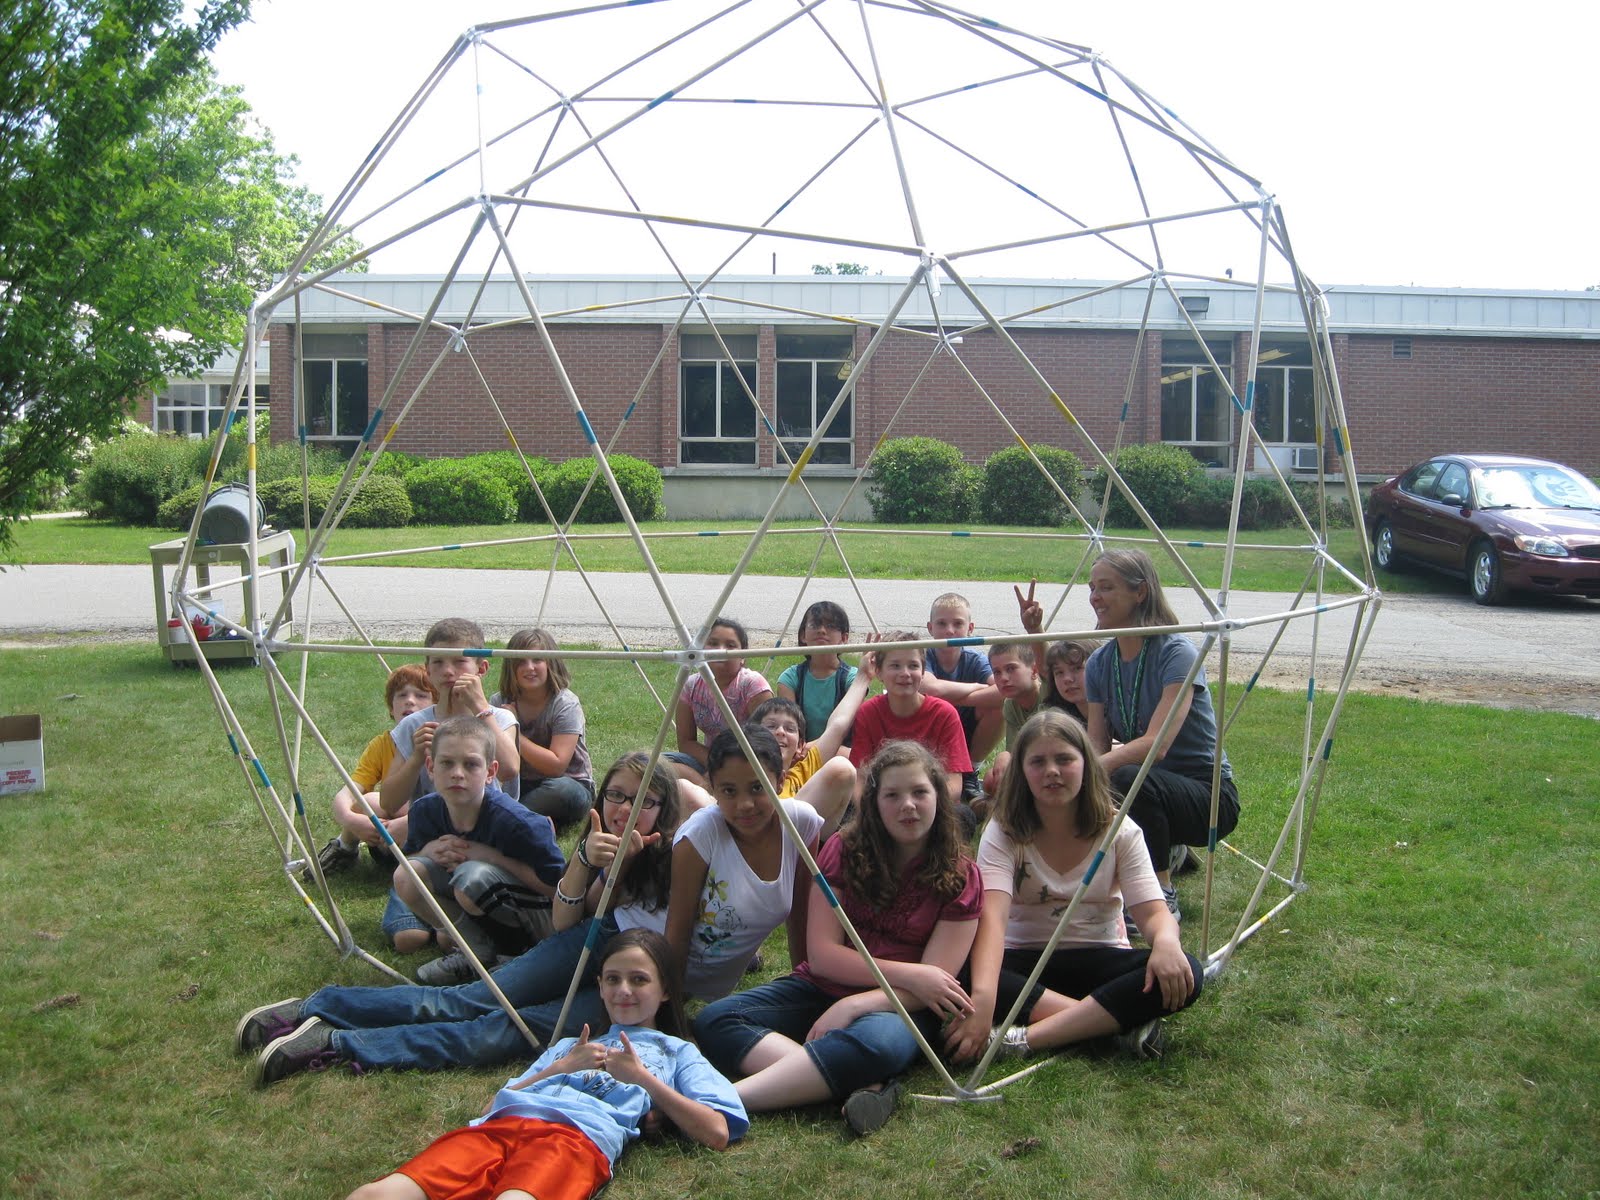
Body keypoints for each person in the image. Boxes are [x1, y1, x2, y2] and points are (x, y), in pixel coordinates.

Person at [236, 755, 741, 1080]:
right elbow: (568, 923)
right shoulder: (598, 841)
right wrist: (590, 861)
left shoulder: (683, 850)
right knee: (468, 999)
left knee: (499, 1032)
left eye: (643, 801)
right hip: (598, 939)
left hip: (641, 977)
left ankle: (337, 1040)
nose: (624, 807)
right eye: (615, 794)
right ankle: (316, 1005)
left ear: (664, 808)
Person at [694, 741, 982, 1136]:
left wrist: (855, 1006)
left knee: (877, 1043)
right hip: (823, 986)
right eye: (893, 795)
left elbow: (935, 986)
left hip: (898, 1008)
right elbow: (825, 956)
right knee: (715, 1019)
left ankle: (723, 1101)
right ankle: (862, 1084)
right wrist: (912, 975)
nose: (908, 805)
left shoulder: (962, 874)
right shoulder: (843, 850)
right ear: (875, 802)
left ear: (939, 797)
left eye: (920, 792)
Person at [337, 929, 746, 1200]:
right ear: (600, 987)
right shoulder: (571, 1045)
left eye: (639, 980)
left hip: (574, 1141)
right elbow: (489, 1108)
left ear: (664, 992)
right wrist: (562, 1066)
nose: (623, 990)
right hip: (498, 1129)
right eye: (612, 979)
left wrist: (642, 1079)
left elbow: (717, 1131)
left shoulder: (678, 1052)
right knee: (374, 1195)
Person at [945, 710, 1203, 1064]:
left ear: (1086, 764)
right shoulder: (1003, 831)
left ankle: (1024, 1038)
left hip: (1099, 957)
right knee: (962, 971)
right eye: (1038, 761)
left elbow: (1153, 912)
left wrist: (1167, 944)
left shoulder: (1120, 830)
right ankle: (1106, 1022)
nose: (1052, 770)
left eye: (1065, 759)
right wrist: (985, 1000)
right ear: (1022, 772)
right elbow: (992, 919)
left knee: (1186, 970)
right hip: (1023, 963)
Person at [1082, 549, 1241, 919]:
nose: (1095, 597)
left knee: (1124, 774)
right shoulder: (1098, 663)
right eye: (1092, 588)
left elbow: (1157, 746)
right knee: (1095, 781)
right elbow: (1096, 745)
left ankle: (1159, 893)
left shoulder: (1177, 652)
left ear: (1140, 592)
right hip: (1152, 787)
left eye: (1106, 587)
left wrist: (1089, 771)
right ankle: (1158, 852)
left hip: (1209, 798)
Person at [393, 716, 566, 985]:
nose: (457, 773)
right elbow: (413, 857)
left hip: (540, 920)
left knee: (470, 878)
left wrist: (490, 856)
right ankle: (476, 952)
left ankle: (514, 958)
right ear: (430, 767)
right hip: (483, 903)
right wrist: (429, 850)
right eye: (446, 763)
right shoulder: (424, 811)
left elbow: (560, 890)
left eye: (471, 764)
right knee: (407, 875)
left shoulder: (519, 823)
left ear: (490, 772)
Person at [666, 725, 823, 1001]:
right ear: (711, 788)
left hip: (707, 988)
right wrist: (669, 1018)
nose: (745, 804)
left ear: (780, 781)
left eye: (757, 787)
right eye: (729, 790)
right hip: (638, 959)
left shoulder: (801, 823)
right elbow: (675, 935)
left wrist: (804, 988)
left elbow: (800, 916)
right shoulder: (700, 835)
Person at [380, 617, 521, 816]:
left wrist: (480, 708)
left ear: (481, 669)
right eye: (438, 662)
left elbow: (509, 770)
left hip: (489, 827)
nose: (447, 671)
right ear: (428, 670)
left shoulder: (499, 718)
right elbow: (388, 803)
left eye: (459, 661)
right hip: (431, 828)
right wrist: (417, 757)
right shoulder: (414, 725)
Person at [312, 663, 434, 879]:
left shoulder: (444, 742)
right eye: (401, 695)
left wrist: (404, 823)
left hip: (428, 836)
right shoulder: (382, 745)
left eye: (421, 695)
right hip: (385, 840)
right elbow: (348, 793)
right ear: (390, 707)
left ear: (436, 705)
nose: (410, 700)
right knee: (370, 801)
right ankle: (344, 848)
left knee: (407, 806)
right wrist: (351, 820)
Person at [849, 632, 974, 836]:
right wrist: (878, 813)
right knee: (848, 815)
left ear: (923, 671)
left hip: (930, 808)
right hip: (884, 805)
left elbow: (953, 785)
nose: (905, 673)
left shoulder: (944, 714)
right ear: (878, 671)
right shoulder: (868, 712)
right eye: (895, 665)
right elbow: (860, 779)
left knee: (963, 816)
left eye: (913, 666)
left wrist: (920, 809)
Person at [490, 627, 595, 830]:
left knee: (561, 790)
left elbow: (556, 766)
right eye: (521, 661)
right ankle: (519, 816)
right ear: (511, 667)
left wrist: (514, 727)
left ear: (551, 663)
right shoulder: (499, 701)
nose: (529, 667)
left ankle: (505, 818)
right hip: (520, 784)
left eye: (537, 660)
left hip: (568, 785)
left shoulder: (565, 703)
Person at [669, 616, 773, 788]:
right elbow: (686, 742)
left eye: (730, 645)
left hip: (749, 763)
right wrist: (715, 765)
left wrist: (728, 769)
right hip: (709, 760)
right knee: (656, 765)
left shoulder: (752, 685)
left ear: (743, 656)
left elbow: (764, 743)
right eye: (713, 643)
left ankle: (714, 788)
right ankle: (707, 786)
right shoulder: (690, 686)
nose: (720, 650)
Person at [919, 592, 1002, 801]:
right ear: (930, 628)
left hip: (966, 726)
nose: (950, 630)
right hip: (930, 726)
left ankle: (970, 771)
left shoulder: (975, 659)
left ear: (970, 628)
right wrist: (975, 687)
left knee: (1000, 708)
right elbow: (931, 688)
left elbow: (1002, 691)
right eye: (942, 623)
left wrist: (954, 697)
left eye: (957, 623)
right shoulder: (923, 655)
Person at [775, 600, 858, 741]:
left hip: (841, 754)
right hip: (801, 753)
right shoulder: (790, 678)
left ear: (844, 638)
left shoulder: (853, 678)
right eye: (815, 625)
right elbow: (789, 728)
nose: (822, 630)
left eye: (831, 626)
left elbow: (852, 728)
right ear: (803, 636)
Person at [978, 641, 1044, 801]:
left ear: (1034, 671)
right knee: (990, 779)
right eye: (997, 672)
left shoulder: (1047, 697)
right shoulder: (1010, 703)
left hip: (1046, 764)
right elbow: (1013, 753)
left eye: (1011, 669)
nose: (1003, 678)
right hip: (1026, 763)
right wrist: (1003, 757)